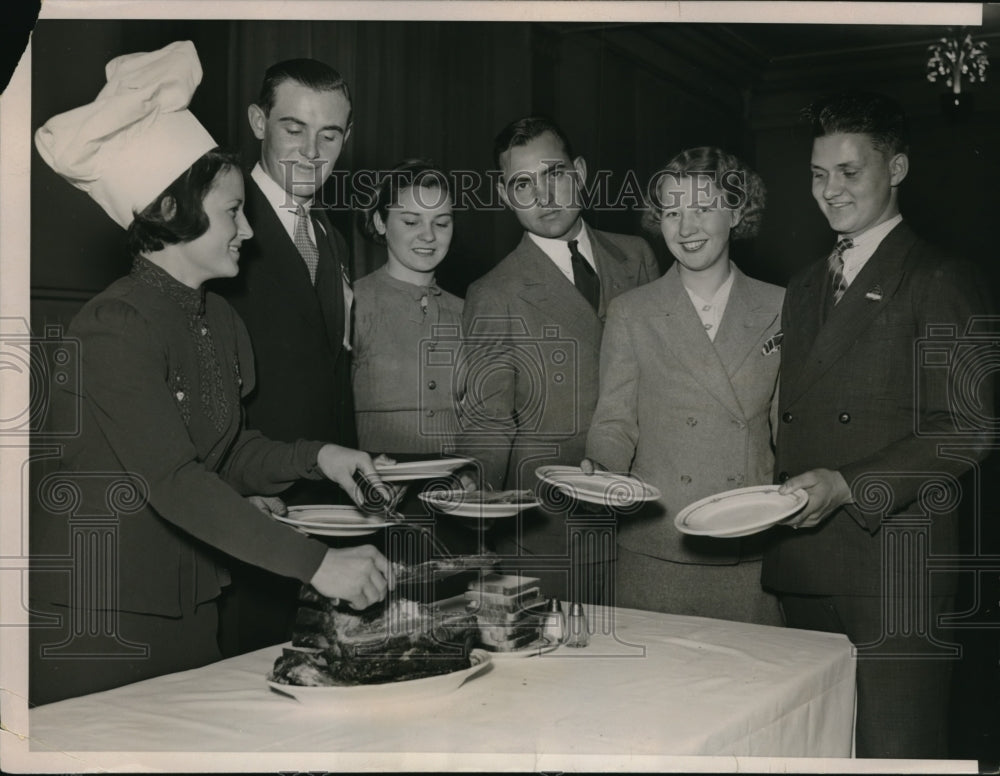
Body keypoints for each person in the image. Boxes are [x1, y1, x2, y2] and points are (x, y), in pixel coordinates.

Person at [29, 41, 394, 706]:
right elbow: (175, 480)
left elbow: (229, 450)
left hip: (190, 603)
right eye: (232, 212)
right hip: (100, 617)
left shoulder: (217, 318)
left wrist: (322, 456)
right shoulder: (115, 325)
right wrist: (320, 564)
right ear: (171, 215)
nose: (248, 233)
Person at [763, 91, 993, 757]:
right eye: (816, 173)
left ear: (895, 169)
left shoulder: (943, 276)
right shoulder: (806, 284)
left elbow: (971, 426)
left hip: (895, 574)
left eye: (849, 171)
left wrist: (847, 484)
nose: (829, 191)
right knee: (815, 755)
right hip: (804, 564)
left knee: (896, 756)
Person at [456, 116, 659, 602]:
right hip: (551, 535)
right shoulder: (493, 293)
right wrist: (468, 487)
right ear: (506, 196)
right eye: (522, 184)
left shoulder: (638, 257)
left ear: (581, 172)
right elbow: (488, 421)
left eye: (554, 174)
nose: (543, 196)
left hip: (648, 526)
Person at [583, 147, 783, 624]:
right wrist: (599, 469)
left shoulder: (782, 307)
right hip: (656, 550)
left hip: (748, 543)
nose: (685, 227)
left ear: (735, 211)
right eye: (672, 212)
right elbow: (614, 421)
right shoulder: (632, 311)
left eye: (702, 208)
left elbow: (786, 426)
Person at [212, 58, 358, 653]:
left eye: (330, 135)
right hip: (252, 506)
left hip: (326, 507)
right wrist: (230, 488)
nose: (311, 151)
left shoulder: (331, 235)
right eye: (294, 128)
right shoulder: (218, 226)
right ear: (257, 122)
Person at [353, 160, 462, 455]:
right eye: (411, 222)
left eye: (441, 223)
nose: (429, 235)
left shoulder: (469, 312)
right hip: (374, 486)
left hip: (454, 488)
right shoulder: (352, 303)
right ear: (380, 222)